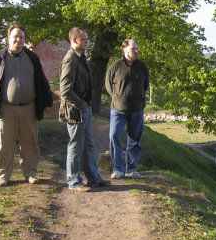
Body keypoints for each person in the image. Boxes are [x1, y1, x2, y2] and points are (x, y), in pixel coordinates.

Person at [0, 24, 53, 186]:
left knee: (30, 141)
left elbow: (42, 81)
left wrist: (47, 102)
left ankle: (30, 172)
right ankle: (3, 174)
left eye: (21, 37)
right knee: (4, 142)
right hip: (5, 108)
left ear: (25, 40)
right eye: (15, 36)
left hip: (29, 107)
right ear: (8, 38)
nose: (18, 39)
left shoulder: (32, 58)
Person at [59, 27, 111, 192]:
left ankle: (94, 178)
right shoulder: (70, 60)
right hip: (75, 111)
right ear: (74, 40)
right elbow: (65, 90)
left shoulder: (80, 58)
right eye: (84, 39)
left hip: (84, 108)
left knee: (88, 145)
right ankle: (74, 182)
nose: (87, 42)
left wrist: (86, 105)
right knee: (76, 146)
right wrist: (82, 105)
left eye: (87, 39)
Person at [105, 39, 149, 179]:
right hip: (118, 109)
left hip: (137, 109)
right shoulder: (116, 65)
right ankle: (117, 168)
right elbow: (108, 83)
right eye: (132, 49)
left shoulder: (142, 66)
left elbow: (145, 85)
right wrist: (116, 97)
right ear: (124, 50)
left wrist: (140, 98)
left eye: (136, 49)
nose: (135, 51)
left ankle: (131, 168)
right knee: (114, 136)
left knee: (134, 139)